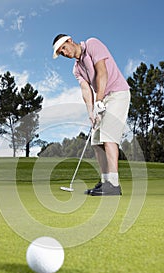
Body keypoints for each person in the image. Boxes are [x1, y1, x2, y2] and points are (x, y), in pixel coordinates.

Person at [52, 34, 130, 196]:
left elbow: (102, 72)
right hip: (103, 99)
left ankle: (114, 185)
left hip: (117, 93)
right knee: (96, 142)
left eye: (64, 49)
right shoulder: (76, 69)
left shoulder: (92, 44)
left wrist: (99, 99)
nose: (64, 54)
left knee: (108, 137)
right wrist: (91, 113)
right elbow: (86, 91)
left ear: (70, 41)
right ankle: (105, 181)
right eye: (61, 53)